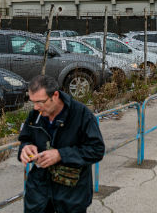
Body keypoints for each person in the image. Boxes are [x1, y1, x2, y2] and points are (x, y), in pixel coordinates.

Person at [18, 75, 105, 213]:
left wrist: (60, 155)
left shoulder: (82, 115)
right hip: (38, 194)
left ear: (55, 95)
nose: (35, 108)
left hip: (71, 195)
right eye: (32, 102)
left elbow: (96, 150)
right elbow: (25, 138)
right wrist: (25, 147)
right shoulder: (35, 115)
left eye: (40, 102)